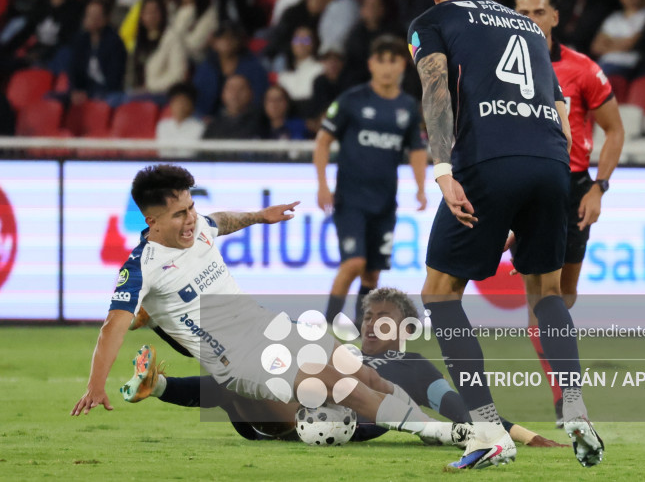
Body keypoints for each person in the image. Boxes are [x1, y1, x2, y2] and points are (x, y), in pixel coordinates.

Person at [70, 164, 464, 453]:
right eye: (179, 215)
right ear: (150, 220)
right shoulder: (141, 267)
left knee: (362, 373)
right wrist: (95, 384)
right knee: (337, 384)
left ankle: (440, 429)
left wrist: (260, 216)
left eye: (190, 208)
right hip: (239, 359)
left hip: (269, 326)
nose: (191, 220)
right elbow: (112, 328)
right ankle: (441, 433)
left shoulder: (199, 226)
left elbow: (219, 220)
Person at [408, 0, 602, 469]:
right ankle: (577, 412)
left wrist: (445, 172)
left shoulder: (432, 20)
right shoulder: (528, 28)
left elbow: (435, 91)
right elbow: (561, 113)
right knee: (545, 291)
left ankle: (489, 430)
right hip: (551, 164)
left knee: (440, 293)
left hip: (487, 161)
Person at [120, 287, 564, 448]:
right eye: (368, 316)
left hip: (344, 422)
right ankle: (157, 375)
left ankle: (158, 384)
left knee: (245, 380)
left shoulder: (411, 363)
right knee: (243, 366)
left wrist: (524, 435)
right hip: (292, 411)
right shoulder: (338, 352)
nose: (371, 323)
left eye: (382, 318)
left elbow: (452, 402)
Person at [515, 0, 624, 426]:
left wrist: (600, 186)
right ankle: (567, 400)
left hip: (574, 187)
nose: (530, 22)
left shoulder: (582, 69)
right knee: (542, 302)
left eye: (539, 13)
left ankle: (566, 389)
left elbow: (614, 130)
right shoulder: (502, 68)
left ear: (555, 17)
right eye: (522, 14)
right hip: (525, 186)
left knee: (562, 297)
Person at [314, 35, 427, 328]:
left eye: (394, 60)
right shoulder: (352, 100)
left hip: (385, 203)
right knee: (353, 263)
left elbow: (416, 149)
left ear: (403, 64)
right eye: (381, 60)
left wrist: (421, 187)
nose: (387, 68)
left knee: (372, 275)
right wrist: (323, 185)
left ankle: (362, 329)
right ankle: (327, 325)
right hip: (351, 200)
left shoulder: (408, 107)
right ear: (371, 65)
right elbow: (323, 141)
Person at [590, 0, 645, 78]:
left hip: (626, 66)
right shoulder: (613, 18)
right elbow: (596, 47)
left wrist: (610, 42)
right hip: (604, 63)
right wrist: (621, 43)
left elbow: (631, 44)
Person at [203, 74, 261, 140]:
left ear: (251, 93)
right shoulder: (213, 126)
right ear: (223, 94)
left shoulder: (262, 122)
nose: (235, 93)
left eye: (241, 89)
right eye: (231, 89)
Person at [155, 82, 204, 158]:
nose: (180, 106)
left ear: (192, 105)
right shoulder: (162, 126)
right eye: (176, 102)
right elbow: (162, 152)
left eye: (184, 102)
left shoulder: (199, 128)